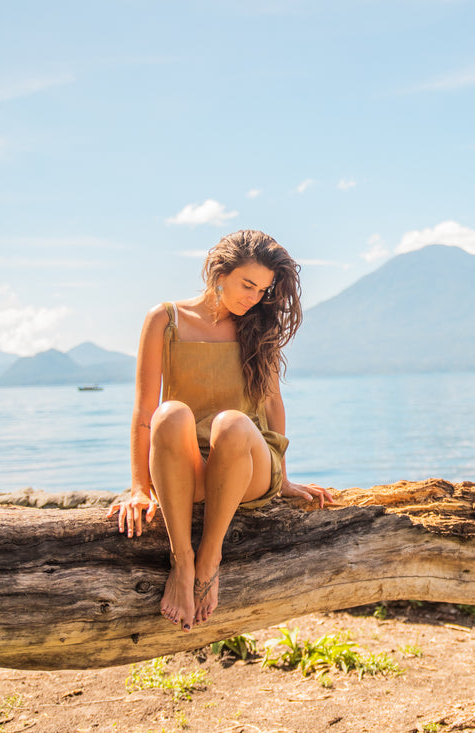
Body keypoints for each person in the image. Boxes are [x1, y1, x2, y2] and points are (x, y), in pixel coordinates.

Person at [108, 229, 334, 631]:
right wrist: (139, 488)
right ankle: (182, 561)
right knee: (169, 413)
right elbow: (144, 411)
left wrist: (283, 477)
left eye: (263, 290)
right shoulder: (165, 319)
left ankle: (209, 558)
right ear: (219, 271)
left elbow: (271, 403)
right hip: (187, 471)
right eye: (248, 285)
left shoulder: (258, 327)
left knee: (231, 421)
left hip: (247, 467)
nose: (254, 298)